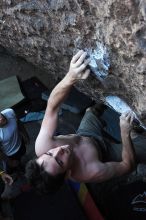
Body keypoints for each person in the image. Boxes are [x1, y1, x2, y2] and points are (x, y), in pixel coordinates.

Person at [25, 50, 145, 194]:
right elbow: (128, 166)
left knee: (92, 111)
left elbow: (52, 107)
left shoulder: (42, 146)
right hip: (105, 152)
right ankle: (133, 133)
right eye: (60, 161)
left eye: (49, 154)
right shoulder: (90, 171)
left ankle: (108, 102)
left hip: (86, 134)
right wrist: (125, 133)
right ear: (67, 175)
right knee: (142, 146)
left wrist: (70, 76)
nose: (59, 150)